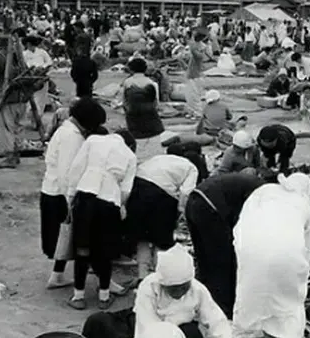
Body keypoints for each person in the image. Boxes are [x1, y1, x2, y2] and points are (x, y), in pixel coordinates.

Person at [233, 173, 310, 338]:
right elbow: (307, 249)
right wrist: (300, 276)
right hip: (286, 255)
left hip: (251, 249)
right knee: (290, 304)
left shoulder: (265, 191)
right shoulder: (305, 204)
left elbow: (244, 220)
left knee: (263, 296)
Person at [65, 129, 138, 310]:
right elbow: (126, 189)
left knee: (82, 247)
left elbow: (76, 169)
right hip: (109, 201)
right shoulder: (129, 155)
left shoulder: (93, 140)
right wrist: (121, 205)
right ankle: (104, 296)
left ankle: (78, 296)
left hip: (86, 196)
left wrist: (70, 196)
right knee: (104, 250)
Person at [40, 98, 106, 290]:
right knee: (75, 237)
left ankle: (57, 275)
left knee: (66, 239)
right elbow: (67, 172)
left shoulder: (68, 130)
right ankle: (102, 279)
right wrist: (71, 199)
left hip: (55, 190)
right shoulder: (72, 137)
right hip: (60, 193)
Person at [184, 172, 265, 318]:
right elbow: (245, 218)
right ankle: (223, 308)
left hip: (193, 202)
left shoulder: (247, 182)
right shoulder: (260, 191)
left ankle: (205, 301)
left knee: (204, 258)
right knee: (222, 261)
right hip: (210, 209)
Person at [131, 244, 232, 338]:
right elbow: (148, 327)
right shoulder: (149, 288)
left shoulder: (197, 289)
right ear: (163, 284)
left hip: (187, 334)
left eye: (183, 287)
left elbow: (218, 324)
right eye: (173, 288)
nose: (179, 292)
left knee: (192, 331)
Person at [125, 153, 199, 283]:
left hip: (137, 186)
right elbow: (185, 193)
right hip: (160, 194)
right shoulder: (192, 169)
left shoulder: (164, 158)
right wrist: (180, 213)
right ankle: (158, 276)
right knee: (161, 239)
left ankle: (142, 276)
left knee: (142, 237)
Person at [0, 32, 32, 169]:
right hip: (22, 97)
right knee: (19, 127)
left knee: (6, 127)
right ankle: (15, 154)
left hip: (7, 97)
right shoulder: (18, 57)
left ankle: (9, 156)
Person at [123, 58, 164, 163]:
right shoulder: (152, 83)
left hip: (133, 116)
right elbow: (156, 103)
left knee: (137, 143)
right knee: (152, 145)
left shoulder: (128, 82)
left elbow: (124, 102)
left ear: (131, 69)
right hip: (150, 116)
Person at [23, 35, 53, 127]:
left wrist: (42, 68)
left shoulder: (42, 52)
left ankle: (37, 121)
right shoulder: (24, 54)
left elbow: (49, 62)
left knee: (40, 101)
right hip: (30, 79)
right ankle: (33, 120)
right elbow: (23, 66)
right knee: (31, 102)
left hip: (42, 79)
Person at [185, 30, 208, 119]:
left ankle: (197, 113)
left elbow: (198, 56)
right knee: (189, 95)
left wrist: (193, 48)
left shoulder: (200, 47)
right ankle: (191, 111)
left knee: (195, 95)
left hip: (196, 75)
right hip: (191, 73)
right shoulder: (195, 45)